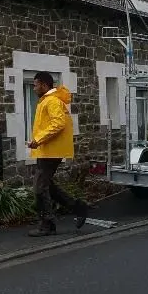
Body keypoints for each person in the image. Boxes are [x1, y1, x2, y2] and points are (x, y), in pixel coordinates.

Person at [26, 71, 89, 236]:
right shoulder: (47, 101)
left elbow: (58, 123)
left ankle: (47, 225)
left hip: (51, 150)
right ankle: (78, 207)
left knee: (39, 188)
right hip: (48, 150)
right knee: (48, 186)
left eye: (35, 85)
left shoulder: (52, 101)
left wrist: (38, 140)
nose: (33, 88)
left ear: (44, 85)